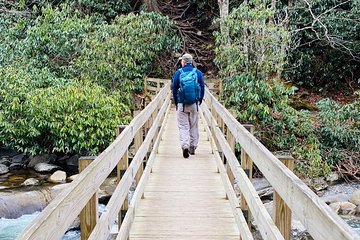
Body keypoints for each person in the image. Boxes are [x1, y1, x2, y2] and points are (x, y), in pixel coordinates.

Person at [172, 53, 205, 158]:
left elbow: (174, 88)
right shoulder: (198, 73)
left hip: (182, 103)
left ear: (184, 62)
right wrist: (199, 100)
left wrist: (177, 102)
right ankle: (193, 146)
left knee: (183, 126)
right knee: (193, 125)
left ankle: (185, 146)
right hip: (194, 103)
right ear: (191, 62)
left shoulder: (178, 73)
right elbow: (202, 87)